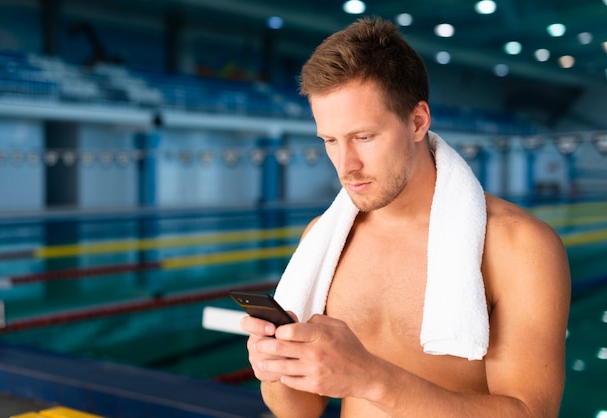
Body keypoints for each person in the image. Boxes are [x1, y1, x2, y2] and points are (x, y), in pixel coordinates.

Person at [240, 17, 570, 417]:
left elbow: (530, 413)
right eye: (330, 141)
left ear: (417, 121)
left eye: (363, 137)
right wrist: (274, 368)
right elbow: (300, 410)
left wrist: (373, 379)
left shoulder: (518, 246)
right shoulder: (324, 240)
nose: (346, 165)